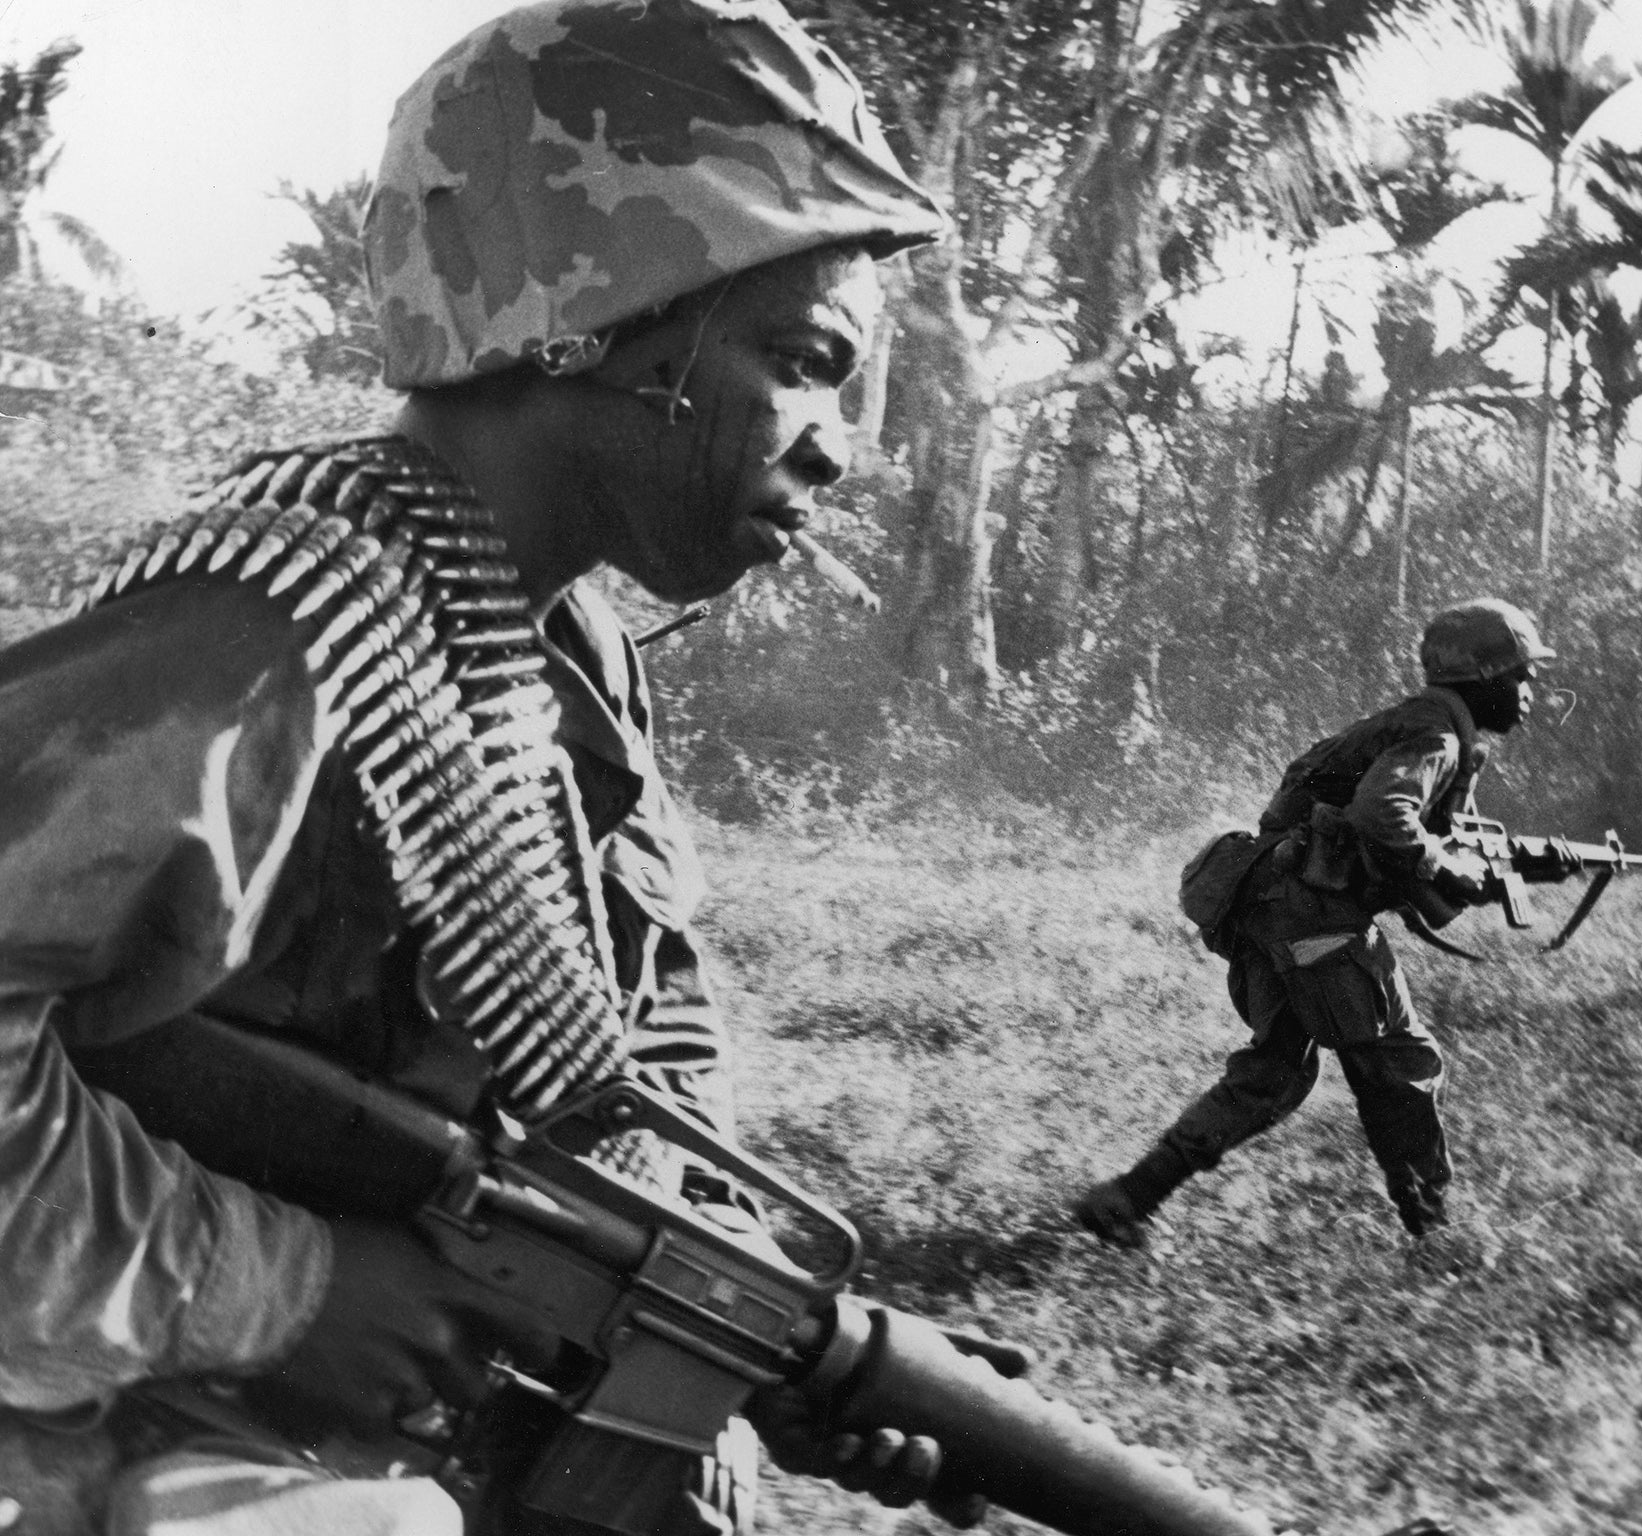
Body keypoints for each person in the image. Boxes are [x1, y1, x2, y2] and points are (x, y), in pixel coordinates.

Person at [0, 2, 979, 1532]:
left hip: (413, 1409)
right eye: (803, 361)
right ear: (600, 314)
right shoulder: (250, 651)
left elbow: (630, 1046)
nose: (835, 445)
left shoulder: (564, 652)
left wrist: (753, 1331)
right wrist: (279, 1288)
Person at [1071, 599, 1556, 1250]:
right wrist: (1443, 861)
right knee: (1399, 1065)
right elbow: (1383, 816)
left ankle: (1128, 1199)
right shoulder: (1437, 733)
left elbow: (1389, 847)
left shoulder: (1423, 725)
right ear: (1485, 676)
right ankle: (1437, 1237)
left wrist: (1490, 870)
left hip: (1269, 900)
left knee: (1275, 1073)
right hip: (1309, 908)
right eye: (1521, 675)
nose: (1529, 692)